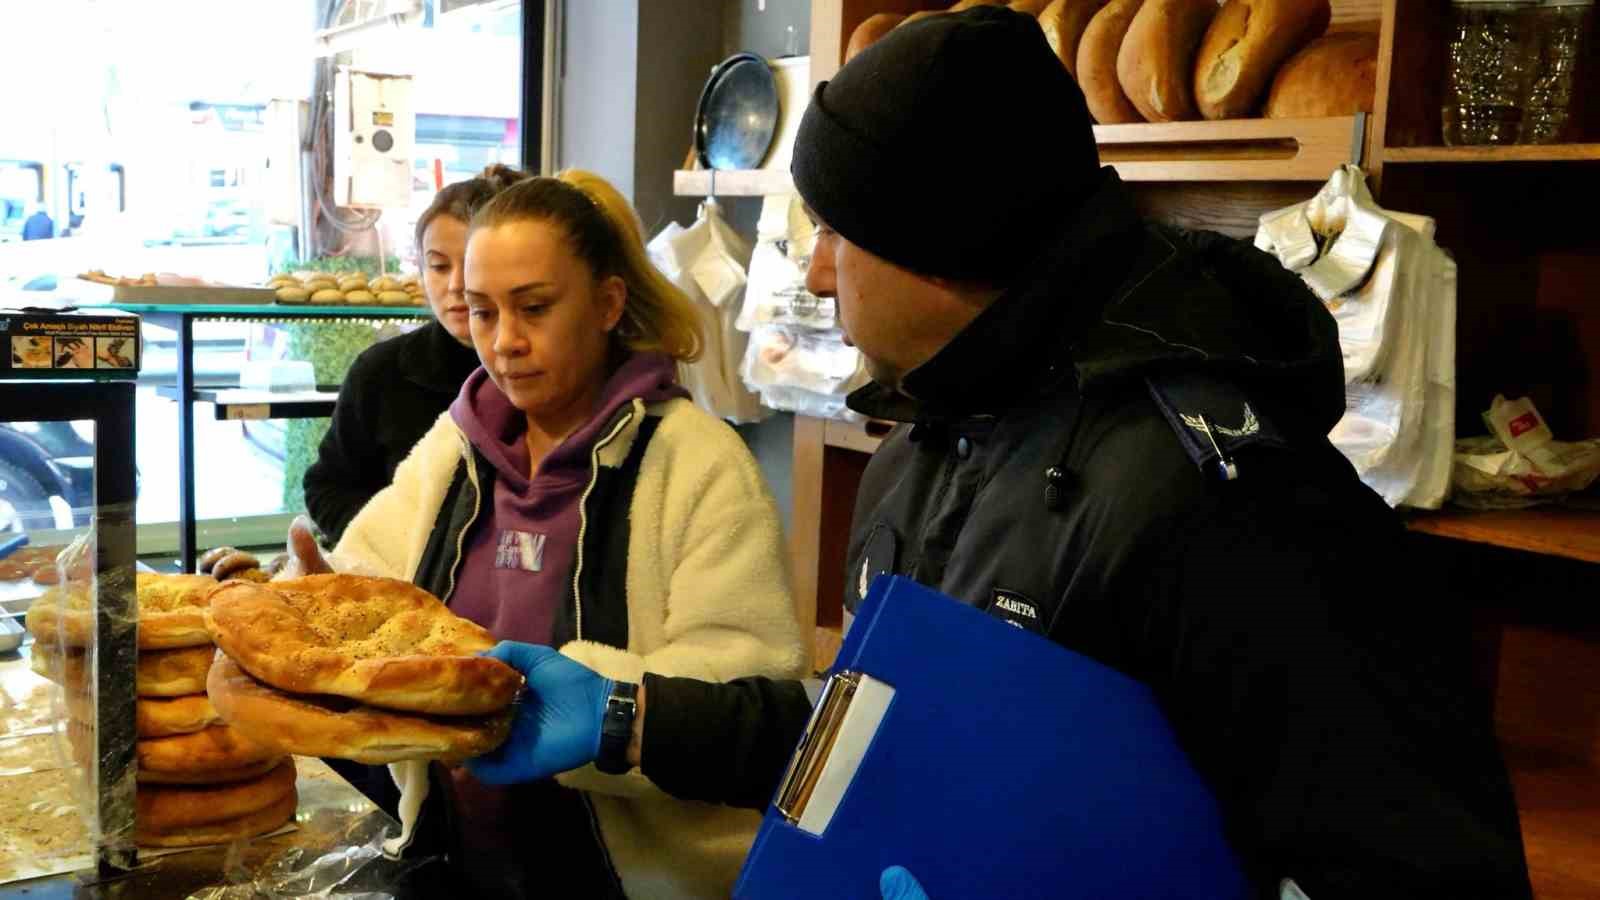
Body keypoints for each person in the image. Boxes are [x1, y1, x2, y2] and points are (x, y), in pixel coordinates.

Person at [461, 9, 1533, 900]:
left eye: (835, 232)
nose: (819, 273)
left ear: (938, 250)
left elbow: (1425, 866)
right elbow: (869, 733)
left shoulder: (1230, 499)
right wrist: (625, 718)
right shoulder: (925, 444)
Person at [286, 169, 805, 899]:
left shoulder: (698, 463)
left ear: (607, 303)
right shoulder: (454, 449)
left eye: (533, 308)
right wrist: (321, 602)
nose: (504, 343)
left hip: (625, 881)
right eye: (483, 312)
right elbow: (374, 589)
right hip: (457, 862)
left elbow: (751, 691)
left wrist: (592, 708)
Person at [303, 164, 529, 543]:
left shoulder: (539, 368)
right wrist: (396, 544)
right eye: (438, 266)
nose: (456, 285)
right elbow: (327, 487)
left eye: (471, 263)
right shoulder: (381, 372)